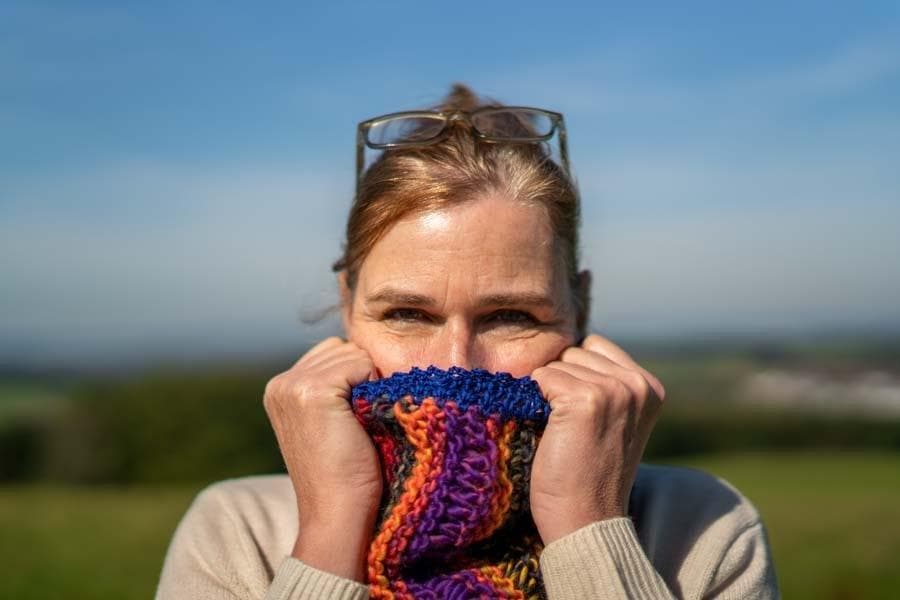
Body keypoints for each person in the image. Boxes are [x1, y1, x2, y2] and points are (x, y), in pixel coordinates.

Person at [156, 83, 779, 599]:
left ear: (579, 308)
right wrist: (330, 528)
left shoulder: (702, 526)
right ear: (348, 308)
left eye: (510, 315)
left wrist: (589, 525)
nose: (455, 365)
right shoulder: (240, 530)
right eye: (406, 314)